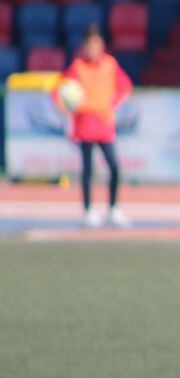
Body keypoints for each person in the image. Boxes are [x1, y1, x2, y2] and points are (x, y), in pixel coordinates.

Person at [56, 26, 133, 228]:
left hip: (105, 123)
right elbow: (59, 90)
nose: (93, 48)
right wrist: (65, 105)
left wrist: (112, 102)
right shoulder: (78, 66)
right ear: (84, 46)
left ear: (102, 45)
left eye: (97, 44)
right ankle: (88, 210)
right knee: (88, 169)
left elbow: (125, 85)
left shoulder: (110, 64)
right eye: (90, 44)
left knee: (114, 167)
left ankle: (113, 208)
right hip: (85, 124)